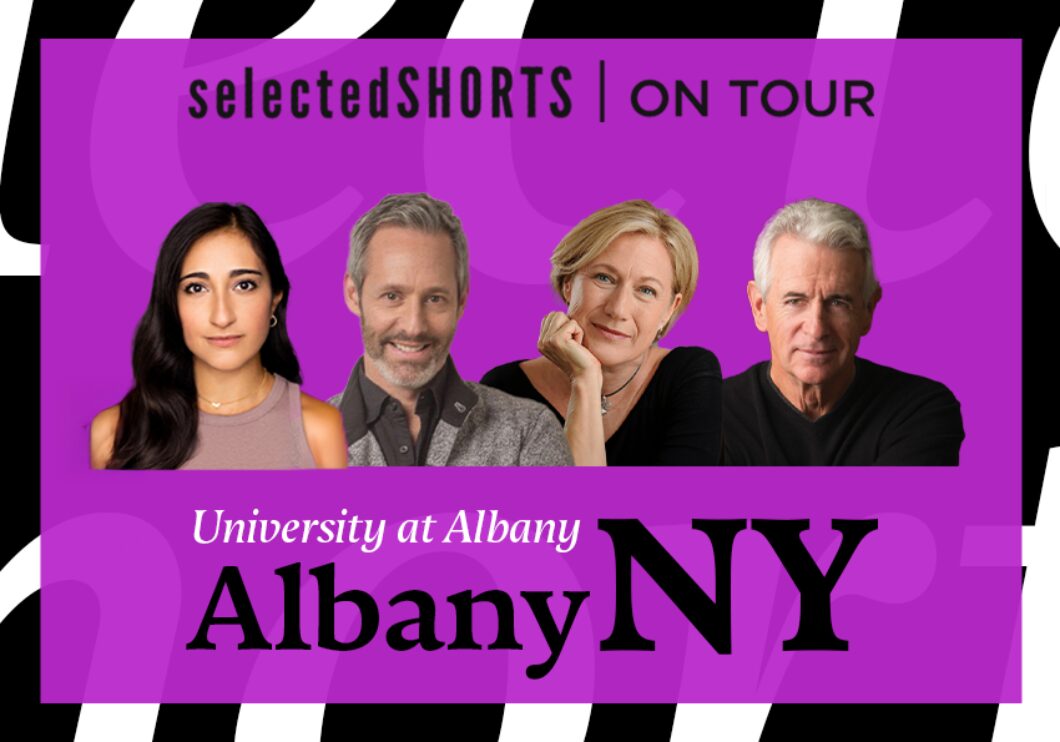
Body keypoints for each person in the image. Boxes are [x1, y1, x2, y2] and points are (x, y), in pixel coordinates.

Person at [90, 203, 347, 470]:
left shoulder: (320, 428)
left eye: (244, 285)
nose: (222, 317)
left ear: (274, 298)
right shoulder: (114, 432)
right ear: (172, 304)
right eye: (196, 288)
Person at [330, 193, 571, 466]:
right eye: (392, 296)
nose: (414, 326)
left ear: (461, 301)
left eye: (435, 299)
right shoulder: (296, 441)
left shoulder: (527, 433)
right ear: (353, 294)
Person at [723, 197, 965, 465]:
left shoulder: (920, 411)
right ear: (759, 307)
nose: (816, 329)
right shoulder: (704, 415)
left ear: (868, 310)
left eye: (838, 302)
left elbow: (904, 508)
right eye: (795, 301)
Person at [481, 200, 722, 466]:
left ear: (669, 310)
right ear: (569, 283)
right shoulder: (502, 390)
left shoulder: (689, 375)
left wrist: (584, 379)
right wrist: (585, 378)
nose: (618, 309)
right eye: (604, 278)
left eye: (646, 291)